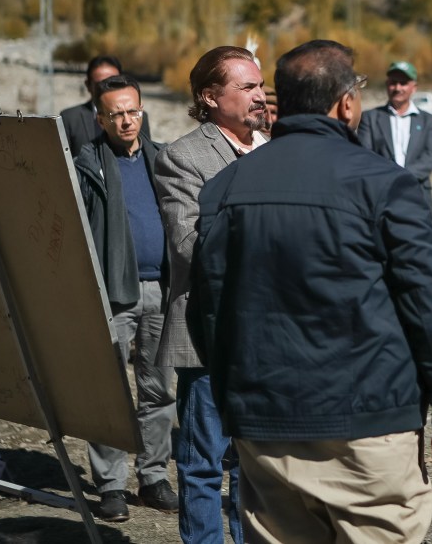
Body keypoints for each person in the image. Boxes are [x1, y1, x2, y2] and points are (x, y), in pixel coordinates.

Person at [188, 39, 432, 543]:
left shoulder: (227, 186)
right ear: (346, 104)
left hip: (265, 428)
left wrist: (238, 400)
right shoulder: (385, 185)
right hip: (367, 428)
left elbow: (208, 310)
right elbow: (431, 311)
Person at [153, 46, 267, 543]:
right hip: (208, 335)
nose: (260, 95)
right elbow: (188, 245)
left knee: (255, 462)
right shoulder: (182, 156)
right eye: (247, 86)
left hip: (267, 335)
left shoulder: (276, 148)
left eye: (261, 85)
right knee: (203, 461)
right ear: (210, 97)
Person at [73, 74, 177, 522]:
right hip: (113, 292)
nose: (127, 120)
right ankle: (111, 485)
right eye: (116, 114)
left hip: (161, 289)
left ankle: (153, 477)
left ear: (142, 111)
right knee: (109, 392)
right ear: (100, 119)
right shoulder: (86, 165)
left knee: (159, 390)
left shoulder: (162, 159)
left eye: (133, 111)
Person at [357, 60, 432, 208]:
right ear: (387, 84)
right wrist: (389, 178)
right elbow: (365, 155)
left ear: (414, 88)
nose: (397, 88)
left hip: (418, 193)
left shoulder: (428, 120)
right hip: (381, 194)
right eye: (393, 83)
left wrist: (402, 177)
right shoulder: (370, 118)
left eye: (403, 83)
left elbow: (431, 155)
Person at [60, 55, 152, 155]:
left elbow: (146, 153)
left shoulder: (139, 116)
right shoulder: (70, 118)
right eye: (100, 84)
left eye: (113, 83)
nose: (107, 88)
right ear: (88, 85)